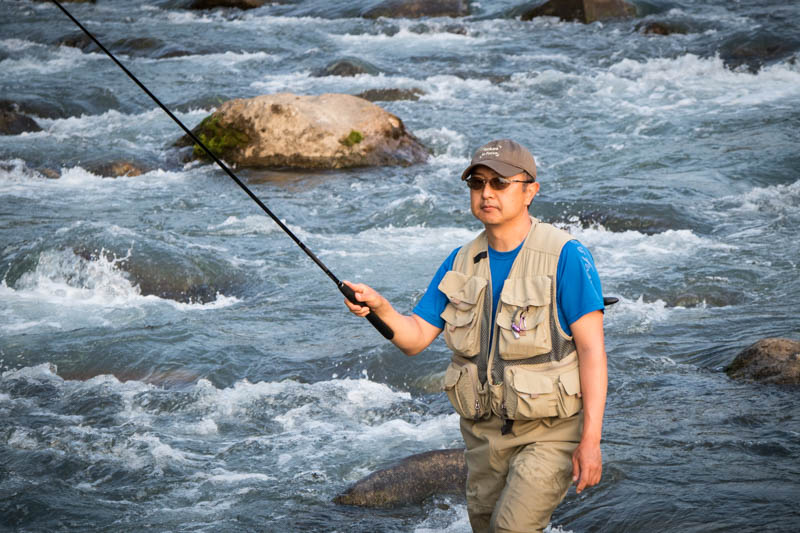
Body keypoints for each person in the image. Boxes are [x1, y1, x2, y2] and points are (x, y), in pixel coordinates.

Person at [344, 139, 607, 533]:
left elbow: (592, 351)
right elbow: (415, 338)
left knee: (511, 528)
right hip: (483, 440)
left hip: (550, 433)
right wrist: (380, 308)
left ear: (530, 190)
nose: (486, 193)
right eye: (477, 183)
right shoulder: (459, 261)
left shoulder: (566, 255)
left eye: (500, 183)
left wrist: (591, 440)